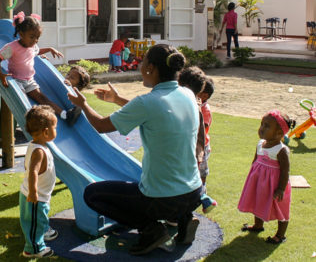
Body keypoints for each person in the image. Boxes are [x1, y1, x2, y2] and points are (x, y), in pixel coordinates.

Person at [67, 44, 203, 256]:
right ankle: (185, 219)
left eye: (143, 62)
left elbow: (101, 125)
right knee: (168, 195)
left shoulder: (147, 102)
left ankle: (152, 229)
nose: (140, 66)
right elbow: (159, 110)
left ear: (151, 68)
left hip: (162, 200)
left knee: (92, 195)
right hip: (194, 192)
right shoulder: (187, 94)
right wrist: (117, 100)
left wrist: (83, 104)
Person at [0, 12, 81, 125]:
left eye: (37, 37)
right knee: (22, 100)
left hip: (29, 80)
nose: (35, 40)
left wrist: (49, 49)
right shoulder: (12, 48)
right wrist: (1, 75)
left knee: (42, 98)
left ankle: (65, 115)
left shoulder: (33, 46)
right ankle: (31, 120)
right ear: (21, 34)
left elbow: (36, 51)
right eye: (32, 37)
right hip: (16, 80)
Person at [238, 110, 295, 244]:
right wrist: (252, 177)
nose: (262, 128)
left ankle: (280, 235)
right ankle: (258, 225)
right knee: (258, 200)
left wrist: (281, 189)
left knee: (280, 207)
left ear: (279, 133)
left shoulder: (281, 150)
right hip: (259, 182)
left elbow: (285, 171)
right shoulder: (260, 143)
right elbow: (255, 160)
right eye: (262, 124)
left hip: (275, 185)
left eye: (267, 126)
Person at [19, 105, 58, 258]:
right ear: (46, 131)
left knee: (38, 219)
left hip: (36, 194)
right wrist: (34, 193)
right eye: (55, 127)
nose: (56, 130)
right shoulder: (39, 152)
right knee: (33, 223)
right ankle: (33, 249)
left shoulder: (36, 145)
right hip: (36, 196)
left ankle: (44, 230)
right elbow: (33, 172)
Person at [178, 67, 217, 214]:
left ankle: (203, 198)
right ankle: (200, 197)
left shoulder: (203, 110)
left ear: (204, 95)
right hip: (192, 146)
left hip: (200, 148)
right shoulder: (194, 106)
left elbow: (200, 129)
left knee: (200, 175)